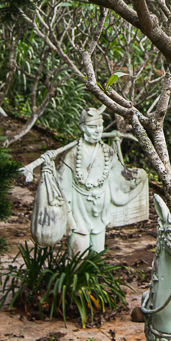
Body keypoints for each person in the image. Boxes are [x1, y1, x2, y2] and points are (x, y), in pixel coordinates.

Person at [53, 107, 147, 255]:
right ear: (82, 128)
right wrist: (68, 216)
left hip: (99, 213)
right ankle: (77, 277)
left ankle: (94, 277)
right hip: (79, 211)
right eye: (92, 127)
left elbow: (119, 177)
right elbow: (63, 188)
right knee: (78, 254)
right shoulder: (72, 155)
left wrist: (135, 177)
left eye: (99, 126)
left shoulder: (107, 152)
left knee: (97, 253)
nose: (97, 131)